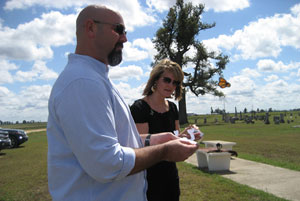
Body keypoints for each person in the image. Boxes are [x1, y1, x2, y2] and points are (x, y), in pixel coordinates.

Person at [46, 4, 198, 201]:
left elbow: (113, 142)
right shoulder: (82, 82)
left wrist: (152, 140)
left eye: (124, 32)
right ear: (90, 28)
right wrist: (165, 151)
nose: (125, 38)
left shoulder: (95, 78)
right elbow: (107, 164)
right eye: (118, 29)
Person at [130, 59, 202, 201]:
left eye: (175, 82)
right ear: (155, 80)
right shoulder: (140, 108)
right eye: (167, 80)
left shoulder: (173, 108)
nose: (171, 85)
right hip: (148, 176)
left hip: (170, 174)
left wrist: (188, 134)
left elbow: (175, 138)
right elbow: (141, 145)